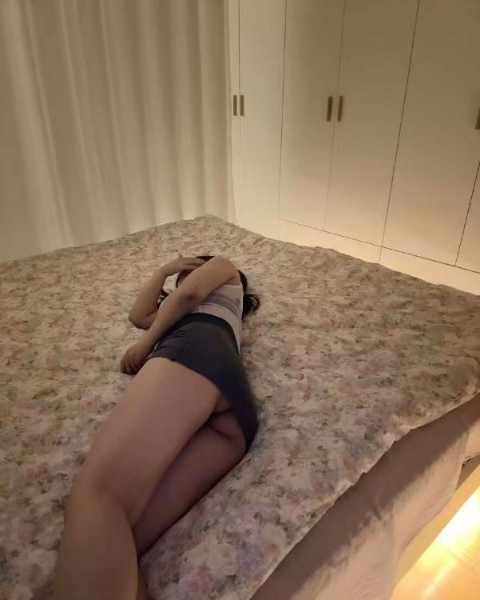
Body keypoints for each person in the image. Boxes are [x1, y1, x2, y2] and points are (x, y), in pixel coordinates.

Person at [54, 255, 260, 600]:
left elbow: (189, 294)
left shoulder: (222, 268)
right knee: (115, 541)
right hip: (233, 417)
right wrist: (163, 271)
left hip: (196, 352)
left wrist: (146, 345)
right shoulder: (188, 315)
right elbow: (137, 316)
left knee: (98, 498)